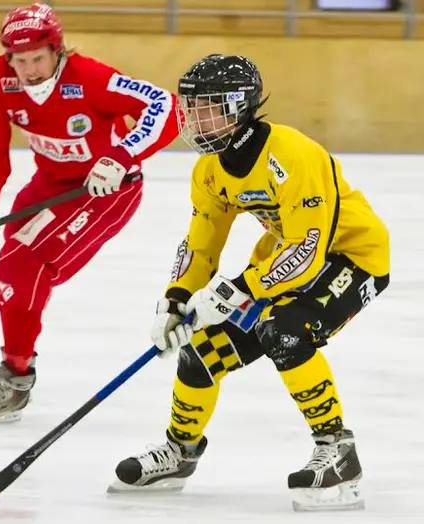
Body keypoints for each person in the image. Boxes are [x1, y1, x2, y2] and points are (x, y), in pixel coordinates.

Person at [109, 54, 390, 511]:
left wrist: (240, 288)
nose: (193, 118)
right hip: (283, 261)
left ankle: (338, 450)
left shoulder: (293, 154)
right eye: (191, 106)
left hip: (352, 259)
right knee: (200, 348)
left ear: (240, 107)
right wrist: (175, 299)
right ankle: (180, 450)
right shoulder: (209, 170)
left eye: (207, 107)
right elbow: (201, 245)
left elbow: (308, 247)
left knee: (283, 330)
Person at [0, 3, 180, 424]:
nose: (31, 69)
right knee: (7, 273)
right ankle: (14, 362)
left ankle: (15, 380)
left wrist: (120, 157)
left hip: (106, 190)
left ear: (57, 49)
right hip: (50, 186)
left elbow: (166, 106)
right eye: (20, 60)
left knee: (22, 269)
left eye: (39, 57)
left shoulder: (89, 77)